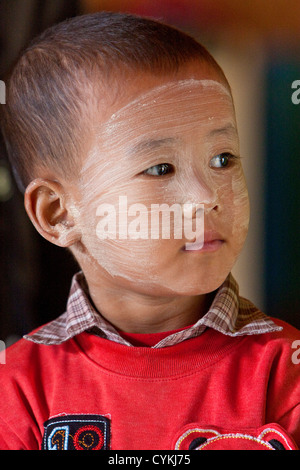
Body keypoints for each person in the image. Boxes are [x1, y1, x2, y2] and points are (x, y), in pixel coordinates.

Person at [0, 11, 299, 451]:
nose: (206, 196)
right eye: (161, 168)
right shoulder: (19, 387)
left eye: (223, 159)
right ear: (59, 214)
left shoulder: (285, 371)